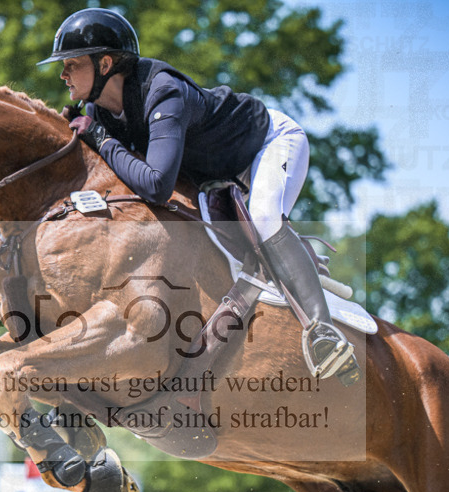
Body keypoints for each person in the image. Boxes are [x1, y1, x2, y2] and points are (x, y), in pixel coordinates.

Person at [38, 8, 359, 385]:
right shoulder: (99, 112)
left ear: (105, 63)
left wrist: (102, 141)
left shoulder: (163, 93)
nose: (62, 74)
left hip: (268, 145)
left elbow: (156, 184)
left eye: (71, 64)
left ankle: (323, 332)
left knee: (264, 216)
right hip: (213, 176)